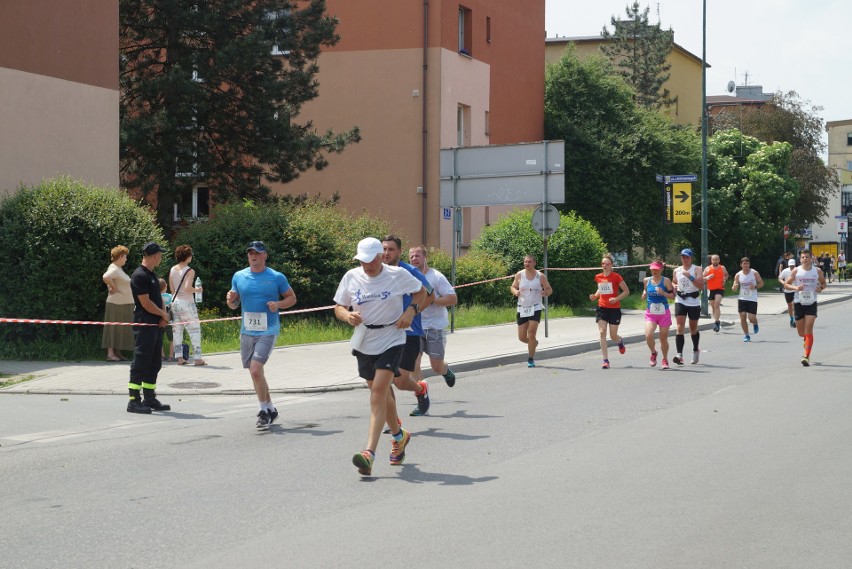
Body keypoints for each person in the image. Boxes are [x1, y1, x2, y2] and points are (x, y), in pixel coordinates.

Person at [334, 237, 428, 476]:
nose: (366, 266)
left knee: (378, 392)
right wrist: (347, 316)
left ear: (380, 257)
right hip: (365, 339)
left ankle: (369, 453)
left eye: (370, 261)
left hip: (392, 338)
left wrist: (410, 310)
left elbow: (422, 292)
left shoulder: (396, 275)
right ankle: (399, 435)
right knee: (382, 395)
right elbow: (338, 306)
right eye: (362, 261)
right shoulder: (351, 276)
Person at [226, 241, 297, 429]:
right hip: (247, 330)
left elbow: (291, 298)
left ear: (265, 255)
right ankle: (271, 408)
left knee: (256, 370)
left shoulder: (276, 277)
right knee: (255, 372)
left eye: (257, 253)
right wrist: (231, 301)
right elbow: (234, 305)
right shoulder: (239, 276)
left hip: (268, 329)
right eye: (250, 253)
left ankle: (263, 411)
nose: (253, 256)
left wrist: (278, 304)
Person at [381, 236, 435, 417]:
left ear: (399, 252)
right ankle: (393, 422)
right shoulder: (376, 271)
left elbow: (430, 294)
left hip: (409, 333)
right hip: (384, 333)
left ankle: (420, 389)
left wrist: (413, 312)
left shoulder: (409, 271)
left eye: (391, 250)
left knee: (401, 381)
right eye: (384, 249)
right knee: (384, 379)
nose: (386, 253)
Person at [127, 242, 172, 414]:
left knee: (154, 362)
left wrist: (162, 316)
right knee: (141, 361)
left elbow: (157, 298)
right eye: (160, 254)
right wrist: (163, 314)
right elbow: (145, 303)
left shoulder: (152, 275)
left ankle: (149, 398)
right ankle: (133, 400)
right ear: (154, 256)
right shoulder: (139, 275)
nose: (161, 257)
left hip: (155, 324)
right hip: (144, 324)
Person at [408, 245, 458, 388]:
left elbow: (453, 299)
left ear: (425, 257)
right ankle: (421, 395)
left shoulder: (436, 276)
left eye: (417, 256)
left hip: (434, 326)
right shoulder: (407, 276)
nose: (414, 259)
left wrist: (431, 300)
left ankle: (445, 370)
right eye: (411, 256)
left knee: (436, 367)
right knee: (414, 364)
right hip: (415, 326)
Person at [784, 249, 826, 366]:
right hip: (799, 302)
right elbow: (786, 284)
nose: (805, 259)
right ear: (800, 259)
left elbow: (823, 283)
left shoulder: (817, 271)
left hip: (811, 302)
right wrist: (796, 288)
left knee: (809, 328)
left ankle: (806, 356)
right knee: (801, 332)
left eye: (807, 257)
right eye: (803, 257)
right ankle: (805, 339)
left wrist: (820, 288)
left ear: (811, 258)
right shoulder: (796, 271)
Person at [510, 255, 553, 368]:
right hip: (522, 307)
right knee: (522, 337)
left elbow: (549, 289)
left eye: (529, 262)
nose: (527, 264)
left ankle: (530, 358)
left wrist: (545, 293)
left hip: (536, 307)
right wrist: (516, 292)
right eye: (525, 262)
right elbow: (513, 287)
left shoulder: (540, 276)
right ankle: (534, 343)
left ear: (534, 263)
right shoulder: (519, 274)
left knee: (532, 333)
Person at [588, 253, 629, 369]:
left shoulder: (616, 277)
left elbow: (626, 291)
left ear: (611, 265)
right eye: (603, 263)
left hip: (614, 309)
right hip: (602, 307)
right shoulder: (598, 276)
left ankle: (619, 341)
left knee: (613, 335)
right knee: (602, 332)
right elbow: (600, 289)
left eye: (607, 264)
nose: (604, 265)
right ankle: (605, 360)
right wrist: (594, 296)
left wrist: (616, 298)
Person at [169, 244, 206, 366]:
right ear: (188, 256)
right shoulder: (190, 271)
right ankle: (198, 358)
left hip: (175, 303)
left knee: (177, 331)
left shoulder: (172, 269)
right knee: (194, 330)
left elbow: (173, 289)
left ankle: (179, 358)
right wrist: (198, 290)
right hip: (187, 303)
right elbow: (187, 288)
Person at [672, 248, 704, 365]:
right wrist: (674, 286)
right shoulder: (677, 270)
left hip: (693, 301)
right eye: (683, 257)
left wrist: (690, 277)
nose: (685, 259)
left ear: (691, 258)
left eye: (687, 257)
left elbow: (701, 286)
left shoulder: (697, 269)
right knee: (679, 327)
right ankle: (679, 355)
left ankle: (695, 350)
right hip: (680, 300)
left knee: (693, 328)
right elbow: (674, 281)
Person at [102, 245, 135, 362]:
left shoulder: (118, 269)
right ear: (120, 256)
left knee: (120, 329)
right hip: (115, 304)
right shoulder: (114, 268)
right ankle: (110, 354)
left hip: (123, 304)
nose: (126, 259)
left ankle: (117, 352)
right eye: (125, 257)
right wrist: (113, 287)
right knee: (112, 328)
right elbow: (106, 277)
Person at [642, 259, 675, 370]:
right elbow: (645, 291)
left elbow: (672, 296)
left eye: (656, 269)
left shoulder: (666, 281)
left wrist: (663, 293)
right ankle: (653, 352)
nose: (654, 271)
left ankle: (665, 359)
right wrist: (644, 294)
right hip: (651, 312)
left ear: (661, 269)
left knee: (663, 337)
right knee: (648, 335)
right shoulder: (646, 280)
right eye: (652, 269)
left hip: (663, 312)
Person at [731, 257, 764, 342]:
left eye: (747, 263)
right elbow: (734, 285)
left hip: (752, 298)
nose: (746, 265)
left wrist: (755, 286)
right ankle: (746, 335)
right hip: (742, 298)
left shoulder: (754, 273)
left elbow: (761, 283)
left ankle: (755, 323)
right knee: (742, 316)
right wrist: (734, 287)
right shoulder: (738, 274)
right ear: (741, 264)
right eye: (744, 263)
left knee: (751, 317)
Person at [703, 254, 729, 333]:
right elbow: (701, 278)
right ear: (711, 261)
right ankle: (717, 321)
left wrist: (725, 279)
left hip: (719, 289)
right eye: (713, 259)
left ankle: (717, 321)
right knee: (713, 307)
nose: (715, 261)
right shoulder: (708, 269)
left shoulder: (722, 268)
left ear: (719, 260)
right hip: (711, 290)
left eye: (716, 259)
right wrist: (707, 278)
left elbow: (726, 274)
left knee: (717, 304)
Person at [159, 278, 175, 361]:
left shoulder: (157, 297)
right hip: (170, 321)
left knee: (160, 339)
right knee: (172, 339)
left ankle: (162, 355)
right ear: (166, 286)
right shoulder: (170, 296)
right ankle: (171, 356)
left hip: (160, 321)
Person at [778, 258, 797, 328]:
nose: (792, 267)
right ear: (789, 265)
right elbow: (779, 278)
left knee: (794, 305)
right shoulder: (785, 271)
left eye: (793, 265)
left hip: (795, 290)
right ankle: (791, 318)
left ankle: (795, 319)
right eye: (790, 265)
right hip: (787, 291)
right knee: (789, 305)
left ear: (795, 265)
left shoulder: (797, 270)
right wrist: (783, 283)